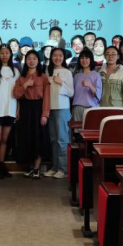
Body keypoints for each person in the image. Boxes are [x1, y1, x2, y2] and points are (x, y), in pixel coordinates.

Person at [12, 49, 50, 179]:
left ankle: (36, 168)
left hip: (38, 108)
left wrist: (45, 114)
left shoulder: (43, 77)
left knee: (38, 138)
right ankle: (30, 167)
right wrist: (26, 85)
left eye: (34, 58)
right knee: (27, 138)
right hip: (25, 109)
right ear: (25, 60)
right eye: (29, 58)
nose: (31, 61)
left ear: (38, 61)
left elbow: (47, 97)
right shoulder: (21, 78)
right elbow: (16, 94)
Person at [0, 44, 19, 179]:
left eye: (7, 53)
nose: (5, 55)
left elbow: (18, 92)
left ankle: (2, 165)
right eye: (2, 53)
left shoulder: (16, 71)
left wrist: (18, 109)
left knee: (4, 139)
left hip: (11, 110)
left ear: (11, 54)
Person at [45, 48, 73, 178]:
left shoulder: (67, 72)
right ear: (51, 57)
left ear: (63, 57)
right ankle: (55, 166)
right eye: (55, 55)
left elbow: (71, 93)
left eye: (60, 55)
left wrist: (61, 82)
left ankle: (63, 169)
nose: (57, 58)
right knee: (53, 139)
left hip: (62, 108)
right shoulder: (47, 71)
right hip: (50, 108)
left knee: (62, 139)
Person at [72, 49, 102, 122]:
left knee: (90, 128)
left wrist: (89, 85)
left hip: (91, 108)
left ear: (91, 59)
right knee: (77, 128)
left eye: (87, 58)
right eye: (82, 58)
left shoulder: (96, 75)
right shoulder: (76, 76)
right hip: (77, 108)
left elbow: (98, 94)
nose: (84, 60)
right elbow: (73, 94)